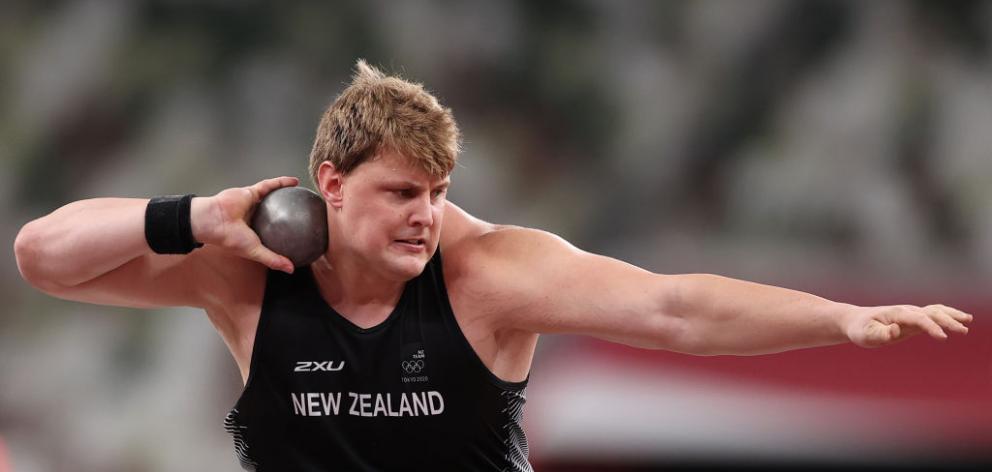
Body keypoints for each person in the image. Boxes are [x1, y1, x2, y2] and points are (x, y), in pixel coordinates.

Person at [13, 60, 972, 472]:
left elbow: (675, 307)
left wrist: (836, 319)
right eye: (400, 194)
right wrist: (191, 217)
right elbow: (44, 258)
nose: (426, 215)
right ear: (330, 185)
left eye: (437, 191)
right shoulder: (245, 268)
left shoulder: (491, 275)